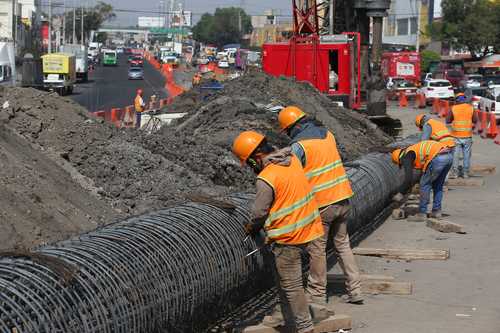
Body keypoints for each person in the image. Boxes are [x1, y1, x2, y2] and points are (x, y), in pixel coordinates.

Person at [232, 131, 327, 333]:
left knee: (291, 286)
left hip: (288, 237)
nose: (251, 167)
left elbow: (259, 212)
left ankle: (304, 327)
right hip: (309, 228)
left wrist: (252, 227)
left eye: (249, 162)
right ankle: (292, 323)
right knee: (286, 283)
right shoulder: (291, 160)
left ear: (256, 157)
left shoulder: (266, 177)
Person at [278, 106, 363, 305]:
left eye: (288, 131)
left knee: (317, 249)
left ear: (293, 127)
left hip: (322, 205)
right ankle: (355, 289)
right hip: (342, 198)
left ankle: (316, 295)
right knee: (343, 245)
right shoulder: (328, 135)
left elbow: (290, 174)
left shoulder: (299, 146)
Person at [391, 140, 453, 221]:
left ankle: (422, 213)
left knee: (424, 184)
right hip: (448, 156)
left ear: (399, 159)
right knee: (438, 185)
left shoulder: (406, 157)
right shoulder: (412, 150)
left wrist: (400, 194)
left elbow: (408, 179)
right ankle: (436, 212)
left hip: (438, 157)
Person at [446, 93, 477, 178]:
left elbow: (448, 120)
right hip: (467, 135)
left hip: (456, 136)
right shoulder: (471, 108)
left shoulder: (453, 108)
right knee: (466, 155)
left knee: (455, 155)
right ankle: (465, 173)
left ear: (457, 100)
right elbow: (475, 120)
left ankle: (455, 173)